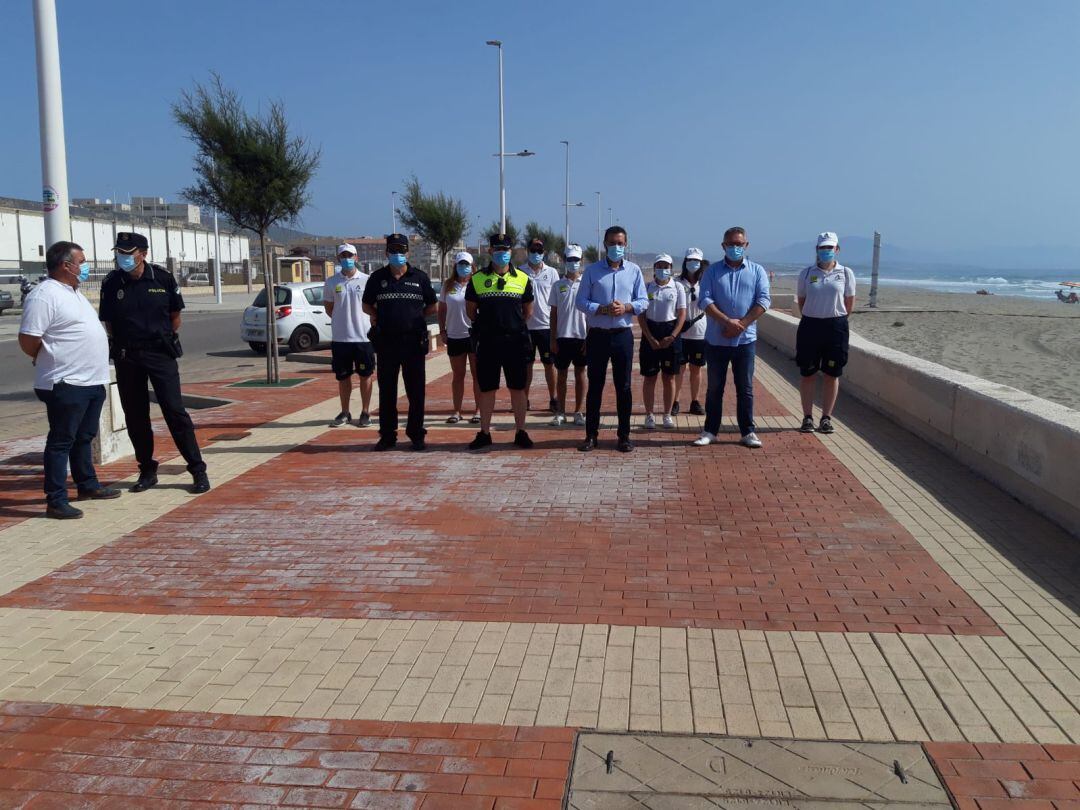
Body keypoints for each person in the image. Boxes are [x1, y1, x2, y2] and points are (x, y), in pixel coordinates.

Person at [99, 232, 209, 493]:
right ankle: (147, 470)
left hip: (160, 354)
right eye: (120, 252)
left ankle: (197, 469)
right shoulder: (112, 283)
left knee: (175, 411)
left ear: (143, 254)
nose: (123, 257)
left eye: (129, 252)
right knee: (136, 416)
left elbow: (175, 317)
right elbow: (109, 322)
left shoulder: (162, 278)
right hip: (128, 356)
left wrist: (160, 339)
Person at [18, 241, 120, 519]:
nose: (85, 266)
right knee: (61, 441)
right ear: (66, 265)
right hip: (66, 382)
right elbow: (28, 340)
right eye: (82, 261)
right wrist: (48, 357)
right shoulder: (44, 295)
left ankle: (87, 485)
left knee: (84, 437)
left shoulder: (74, 292)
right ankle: (56, 499)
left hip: (91, 380)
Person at [692, 226, 770, 449]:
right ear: (723, 246)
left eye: (739, 244)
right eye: (731, 244)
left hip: (745, 341)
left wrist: (741, 325)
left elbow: (764, 300)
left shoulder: (757, 271)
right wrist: (727, 322)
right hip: (717, 340)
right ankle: (710, 430)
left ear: (746, 245)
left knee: (745, 387)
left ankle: (748, 431)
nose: (735, 248)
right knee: (715, 388)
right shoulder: (713, 272)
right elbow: (704, 300)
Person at [575, 225, 648, 452]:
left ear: (625, 244)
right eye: (612, 243)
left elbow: (643, 301)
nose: (616, 247)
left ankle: (624, 436)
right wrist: (601, 309)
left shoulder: (634, 271)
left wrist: (626, 307)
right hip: (597, 336)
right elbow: (581, 301)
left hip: (622, 336)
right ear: (605, 244)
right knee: (595, 386)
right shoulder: (592, 271)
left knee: (623, 387)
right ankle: (591, 435)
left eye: (620, 243)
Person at [362, 233, 438, 451]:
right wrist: (375, 315)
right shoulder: (377, 278)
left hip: (413, 343)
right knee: (387, 391)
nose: (398, 255)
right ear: (386, 253)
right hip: (386, 343)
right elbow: (366, 304)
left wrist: (417, 317)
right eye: (393, 251)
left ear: (408, 253)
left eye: (401, 251)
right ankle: (387, 436)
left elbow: (433, 306)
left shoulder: (420, 278)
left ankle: (416, 434)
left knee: (416, 392)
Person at [465, 233, 534, 450]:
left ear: (511, 251)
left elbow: (527, 312)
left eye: (505, 249)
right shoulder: (476, 279)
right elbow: (471, 312)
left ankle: (520, 432)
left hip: (515, 343)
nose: (501, 253)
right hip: (488, 343)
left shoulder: (523, 278)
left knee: (518, 388)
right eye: (497, 249)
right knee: (487, 389)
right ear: (490, 251)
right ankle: (484, 433)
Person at [796, 232, 855, 434]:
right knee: (808, 373)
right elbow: (802, 301)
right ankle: (807, 417)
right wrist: (815, 314)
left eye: (830, 248)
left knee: (832, 374)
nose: (826, 251)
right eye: (823, 248)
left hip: (836, 327)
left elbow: (849, 303)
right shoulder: (806, 273)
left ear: (837, 249)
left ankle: (826, 418)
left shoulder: (846, 273)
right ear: (817, 250)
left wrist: (835, 319)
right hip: (810, 326)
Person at [324, 243, 374, 428]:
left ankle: (366, 412)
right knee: (343, 377)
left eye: (350, 255)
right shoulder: (331, 282)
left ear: (356, 258)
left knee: (365, 375)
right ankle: (345, 412)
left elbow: (373, 307)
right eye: (343, 256)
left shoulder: (367, 280)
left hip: (363, 338)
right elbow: (330, 309)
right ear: (338, 259)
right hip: (340, 339)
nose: (347, 259)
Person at [640, 253, 687, 429]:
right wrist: (650, 337)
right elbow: (641, 315)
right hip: (651, 333)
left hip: (671, 332)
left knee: (669, 378)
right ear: (654, 268)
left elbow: (682, 314)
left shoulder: (678, 287)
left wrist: (673, 336)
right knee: (650, 377)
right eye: (659, 266)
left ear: (671, 268)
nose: (662, 269)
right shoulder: (647, 287)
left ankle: (667, 414)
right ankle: (649, 415)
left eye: (666, 266)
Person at [548, 244, 588, 426]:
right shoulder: (558, 285)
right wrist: (552, 338)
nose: (573, 263)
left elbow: (591, 313)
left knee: (581, 374)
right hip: (562, 337)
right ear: (565, 261)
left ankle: (579, 412)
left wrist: (590, 338)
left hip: (582, 337)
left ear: (581, 261)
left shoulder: (587, 284)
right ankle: (561, 412)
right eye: (570, 259)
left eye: (576, 260)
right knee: (561, 376)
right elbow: (554, 314)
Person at [439, 250, 481, 424]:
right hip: (455, 335)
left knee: (477, 375)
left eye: (467, 264)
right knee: (458, 375)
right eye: (461, 264)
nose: (464, 267)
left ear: (472, 267)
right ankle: (456, 411)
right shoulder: (447, 286)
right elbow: (441, 310)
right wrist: (442, 330)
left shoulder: (477, 284)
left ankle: (478, 411)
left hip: (473, 335)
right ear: (456, 266)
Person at [521, 237, 560, 413]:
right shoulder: (520, 272)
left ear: (543, 253)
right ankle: (524, 400)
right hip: (525, 328)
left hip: (545, 327)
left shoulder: (552, 273)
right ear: (528, 251)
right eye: (533, 250)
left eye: (539, 251)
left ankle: (554, 399)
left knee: (549, 365)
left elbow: (557, 301)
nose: (536, 254)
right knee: (526, 366)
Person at [673, 249, 708, 416]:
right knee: (679, 369)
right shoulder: (676, 282)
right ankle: (675, 401)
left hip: (700, 332)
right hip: (680, 332)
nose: (693, 263)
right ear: (685, 262)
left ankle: (695, 401)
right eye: (690, 260)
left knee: (696, 369)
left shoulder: (706, 283)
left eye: (696, 261)